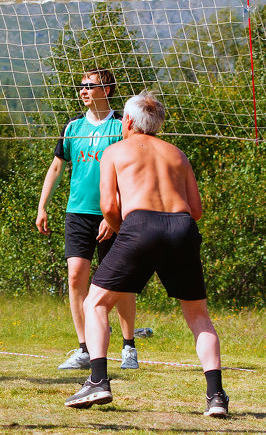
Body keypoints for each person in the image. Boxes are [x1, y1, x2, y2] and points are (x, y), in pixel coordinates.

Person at [65, 92, 228, 418]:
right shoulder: (177, 155)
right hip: (181, 227)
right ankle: (217, 397)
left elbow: (109, 206)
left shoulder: (114, 151)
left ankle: (98, 380)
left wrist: (121, 228)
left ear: (127, 121)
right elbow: (195, 210)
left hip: (139, 224)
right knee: (198, 315)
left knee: (95, 303)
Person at [35, 69, 139, 371]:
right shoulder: (73, 127)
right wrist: (42, 206)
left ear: (106, 90)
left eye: (89, 86)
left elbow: (129, 175)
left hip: (113, 214)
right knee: (76, 276)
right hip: (78, 213)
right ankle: (84, 348)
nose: (83, 91)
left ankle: (128, 346)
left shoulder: (122, 126)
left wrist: (114, 212)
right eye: (81, 86)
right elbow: (56, 169)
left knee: (120, 281)